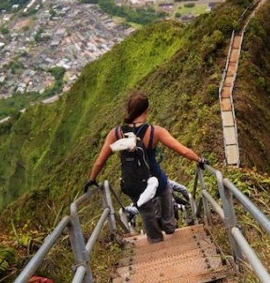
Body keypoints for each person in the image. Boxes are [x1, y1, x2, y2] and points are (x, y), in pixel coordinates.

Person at [84, 91, 206, 243]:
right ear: (146, 110)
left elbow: (100, 161)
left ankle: (155, 239)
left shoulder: (116, 133)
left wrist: (92, 179)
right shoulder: (155, 131)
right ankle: (168, 225)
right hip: (157, 180)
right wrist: (199, 159)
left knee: (147, 213)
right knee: (166, 193)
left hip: (133, 184)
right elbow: (183, 150)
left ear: (128, 110)